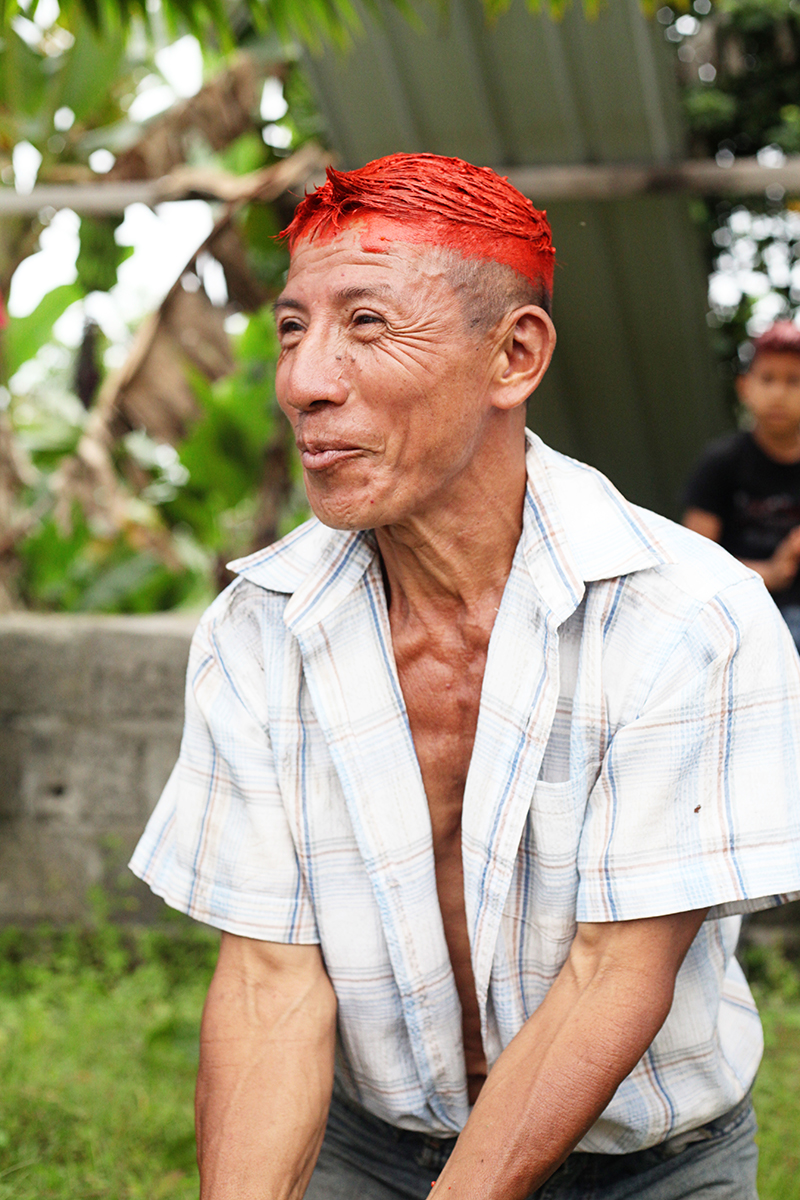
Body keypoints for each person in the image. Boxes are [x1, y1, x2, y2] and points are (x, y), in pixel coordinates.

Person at [130, 154, 800, 1200]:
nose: (304, 380)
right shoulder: (258, 630)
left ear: (512, 356)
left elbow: (609, 971)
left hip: (647, 1166)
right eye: (293, 328)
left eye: (364, 323)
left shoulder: (685, 618)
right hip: (375, 1146)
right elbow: (271, 986)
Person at [683, 320, 800, 650]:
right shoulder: (721, 463)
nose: (779, 393)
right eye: (768, 379)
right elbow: (694, 565)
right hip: (740, 611)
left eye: (793, 381)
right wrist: (770, 572)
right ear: (745, 387)